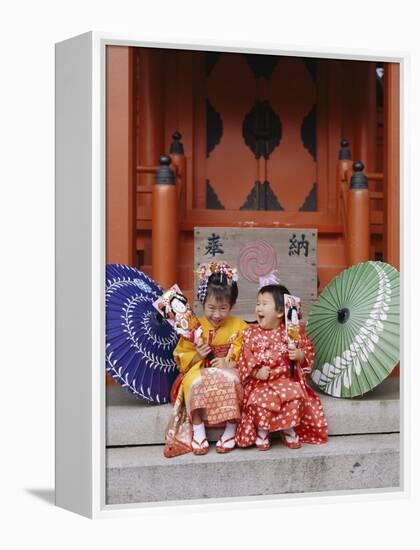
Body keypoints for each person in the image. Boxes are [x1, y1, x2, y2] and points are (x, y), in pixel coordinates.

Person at [164, 261, 247, 457]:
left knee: (232, 379)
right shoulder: (192, 326)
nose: (216, 314)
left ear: (232, 305)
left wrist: (229, 362)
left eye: (223, 308)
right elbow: (181, 359)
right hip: (199, 368)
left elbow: (246, 352)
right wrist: (198, 355)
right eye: (211, 308)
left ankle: (231, 428)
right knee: (194, 382)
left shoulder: (240, 326)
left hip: (226, 368)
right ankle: (198, 428)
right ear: (202, 303)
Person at [235, 280, 328, 451]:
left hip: (286, 380)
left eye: (264, 304)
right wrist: (256, 371)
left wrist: (299, 356)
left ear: (279, 311)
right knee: (259, 401)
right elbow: (244, 356)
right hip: (261, 382)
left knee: (294, 396)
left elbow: (306, 352)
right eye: (257, 304)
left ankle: (288, 429)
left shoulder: (291, 333)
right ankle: (262, 431)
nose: (258, 308)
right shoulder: (251, 333)